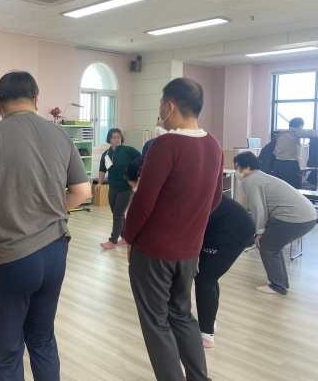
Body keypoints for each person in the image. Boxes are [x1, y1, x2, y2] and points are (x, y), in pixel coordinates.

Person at [0, 70, 91, 381]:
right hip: (56, 253)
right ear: (36, 100)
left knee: (6, 352)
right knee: (42, 339)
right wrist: (46, 211)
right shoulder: (61, 134)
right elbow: (82, 192)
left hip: (11, 258)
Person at [124, 77, 223, 381]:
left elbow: (144, 202)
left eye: (160, 105)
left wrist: (129, 238)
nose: (160, 111)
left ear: (169, 106)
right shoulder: (213, 144)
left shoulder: (165, 144)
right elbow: (216, 199)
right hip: (188, 252)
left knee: (156, 321)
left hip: (155, 251)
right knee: (181, 315)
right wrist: (189, 228)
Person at [234, 151, 317, 295]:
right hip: (307, 216)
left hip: (293, 217)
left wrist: (259, 231)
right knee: (273, 247)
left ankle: (278, 286)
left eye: (237, 168)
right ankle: (281, 283)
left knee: (267, 247)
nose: (237, 171)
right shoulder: (262, 176)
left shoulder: (250, 181)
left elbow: (258, 208)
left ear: (247, 167)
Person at [194, 194, 256, 348]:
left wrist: (194, 253)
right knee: (209, 277)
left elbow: (192, 224)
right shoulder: (189, 187)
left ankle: (206, 334)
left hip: (229, 231)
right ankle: (210, 322)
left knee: (204, 280)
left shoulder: (183, 192)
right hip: (232, 225)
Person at [97, 128, 141, 249]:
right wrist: (99, 183)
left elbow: (142, 159)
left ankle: (113, 241)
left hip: (126, 187)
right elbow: (102, 170)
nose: (117, 140)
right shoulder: (106, 154)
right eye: (114, 138)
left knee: (118, 214)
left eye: (118, 137)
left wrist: (137, 175)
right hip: (113, 187)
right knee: (117, 213)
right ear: (109, 139)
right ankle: (125, 237)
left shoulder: (128, 150)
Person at [273, 117, 318, 188]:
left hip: (277, 164)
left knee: (280, 188)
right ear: (300, 127)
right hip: (290, 164)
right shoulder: (295, 132)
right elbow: (311, 133)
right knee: (296, 188)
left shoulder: (281, 134)